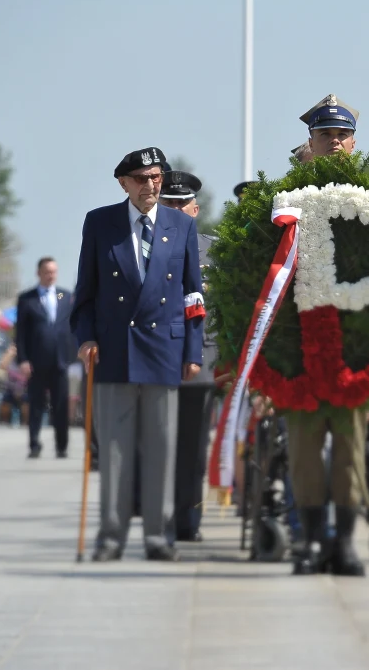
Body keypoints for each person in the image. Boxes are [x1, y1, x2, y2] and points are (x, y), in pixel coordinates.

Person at [71, 146, 205, 562]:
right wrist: (86, 337)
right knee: (114, 450)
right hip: (114, 351)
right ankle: (111, 535)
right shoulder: (100, 223)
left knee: (162, 449)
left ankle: (158, 535)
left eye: (156, 178)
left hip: (164, 349)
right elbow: (86, 293)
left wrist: (193, 349)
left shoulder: (180, 226)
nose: (151, 185)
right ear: (123, 182)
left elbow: (193, 294)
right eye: (142, 179)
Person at [285, 94, 366, 577]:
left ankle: (347, 545)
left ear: (354, 143)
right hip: (300, 348)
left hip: (353, 349)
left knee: (351, 453)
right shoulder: (286, 199)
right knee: (305, 452)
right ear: (309, 143)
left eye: (341, 135)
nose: (333, 142)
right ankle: (313, 541)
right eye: (324, 135)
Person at [158, 170, 220, 543]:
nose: (177, 210)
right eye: (170, 204)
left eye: (183, 204)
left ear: (195, 209)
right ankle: (158, 514)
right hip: (158, 356)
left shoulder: (214, 251)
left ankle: (187, 520)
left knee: (194, 449)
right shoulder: (147, 246)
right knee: (158, 444)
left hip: (201, 359)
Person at [15, 257, 76, 458]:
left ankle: (61, 445)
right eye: (47, 271)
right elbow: (21, 333)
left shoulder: (65, 297)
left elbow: (72, 328)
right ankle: (34, 444)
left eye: (54, 272)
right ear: (39, 273)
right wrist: (23, 359)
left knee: (61, 405)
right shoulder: (27, 299)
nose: (51, 275)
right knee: (36, 404)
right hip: (36, 362)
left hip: (60, 361)